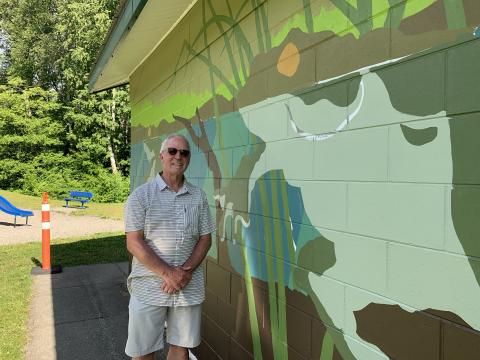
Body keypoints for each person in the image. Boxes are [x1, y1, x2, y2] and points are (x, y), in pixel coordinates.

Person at [124, 134, 215, 360]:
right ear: (162, 155)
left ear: (189, 159)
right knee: (143, 351)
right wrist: (169, 274)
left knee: (180, 349)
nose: (178, 156)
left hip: (187, 287)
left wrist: (184, 273)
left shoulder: (199, 197)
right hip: (148, 286)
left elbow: (205, 239)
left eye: (184, 153)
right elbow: (133, 241)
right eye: (173, 151)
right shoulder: (140, 196)